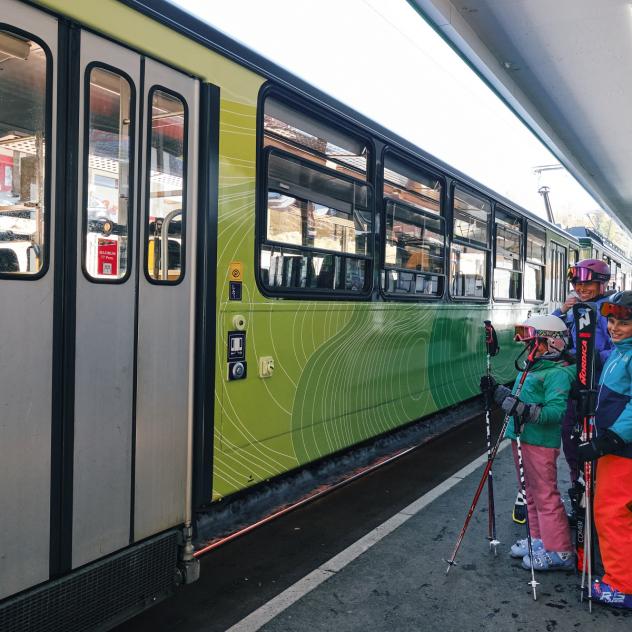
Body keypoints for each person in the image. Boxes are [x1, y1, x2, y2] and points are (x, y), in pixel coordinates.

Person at [481, 314, 575, 571]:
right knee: (530, 494)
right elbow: (518, 399)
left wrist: (522, 409)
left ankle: (560, 551)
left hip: (540, 442)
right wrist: (499, 393)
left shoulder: (557, 373)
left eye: (536, 343)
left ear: (553, 343)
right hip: (523, 438)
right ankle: (539, 539)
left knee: (545, 495)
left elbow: (555, 412)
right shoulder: (535, 367)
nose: (531, 348)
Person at [538, 259, 614, 526]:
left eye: (588, 283)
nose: (582, 288)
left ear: (602, 283)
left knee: (597, 453)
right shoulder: (573, 311)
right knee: (573, 449)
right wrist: (561, 312)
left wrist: (587, 355)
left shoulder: (608, 311)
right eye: (577, 284)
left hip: (600, 393)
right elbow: (551, 335)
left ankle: (601, 509)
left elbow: (617, 350)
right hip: (575, 392)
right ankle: (581, 502)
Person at [577, 291, 632, 608]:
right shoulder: (620, 351)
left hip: (621, 450)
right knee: (614, 512)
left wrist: (609, 438)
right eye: (611, 321)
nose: (614, 327)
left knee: (611, 513)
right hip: (615, 447)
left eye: (623, 322)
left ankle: (622, 585)